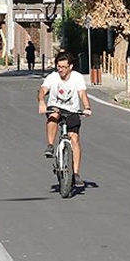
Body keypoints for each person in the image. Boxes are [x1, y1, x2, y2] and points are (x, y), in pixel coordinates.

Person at [38, 52, 91, 187]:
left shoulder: (77, 78)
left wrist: (87, 107)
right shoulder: (53, 77)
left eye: (63, 67)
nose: (60, 69)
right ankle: (50, 145)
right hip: (55, 107)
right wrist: (42, 101)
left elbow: (82, 94)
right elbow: (43, 90)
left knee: (74, 139)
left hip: (72, 110)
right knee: (54, 115)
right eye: (58, 66)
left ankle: (76, 173)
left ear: (70, 67)